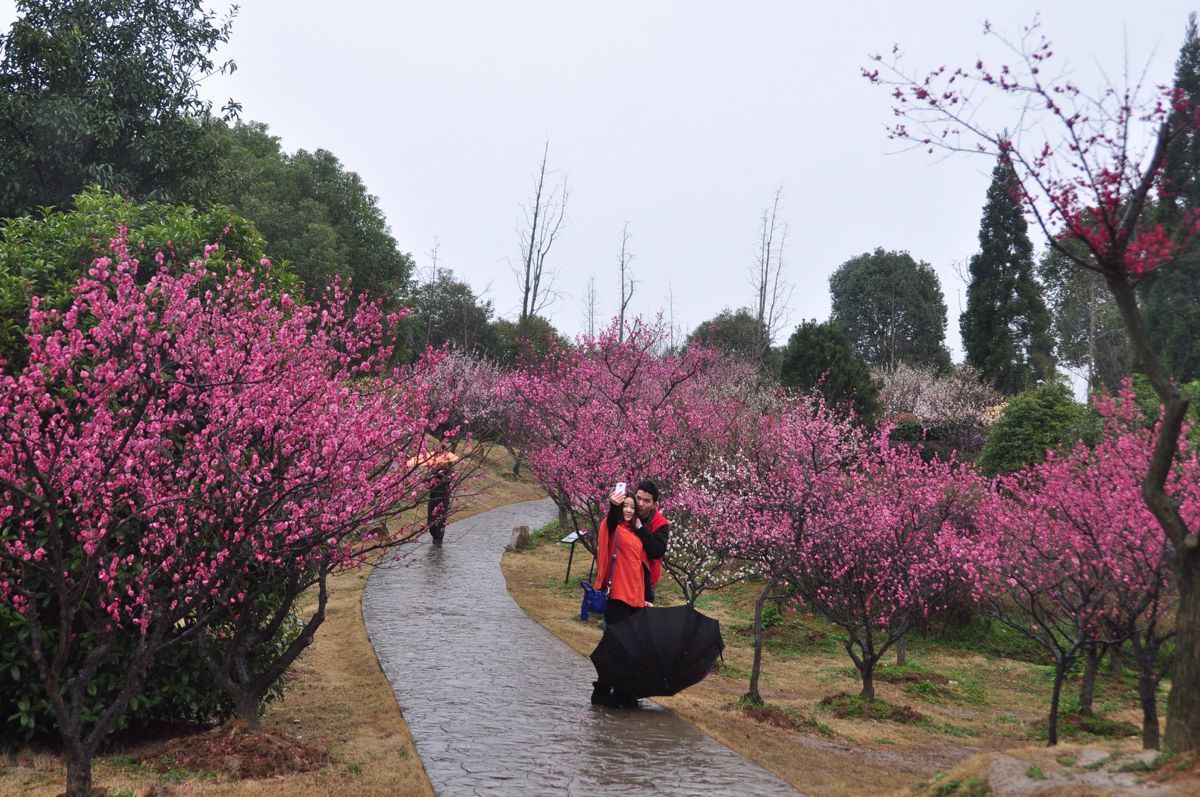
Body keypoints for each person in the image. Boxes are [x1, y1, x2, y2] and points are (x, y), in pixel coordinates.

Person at [589, 484, 669, 708]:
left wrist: (646, 595)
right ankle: (605, 691)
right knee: (617, 645)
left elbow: (652, 555)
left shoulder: (642, 530)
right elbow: (611, 520)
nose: (634, 507)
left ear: (653, 503)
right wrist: (613, 506)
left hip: (637, 596)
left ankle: (622, 692)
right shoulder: (614, 527)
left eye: (636, 505)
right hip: (618, 595)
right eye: (630, 504)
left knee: (631, 648)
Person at [632, 480, 670, 604]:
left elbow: (657, 551)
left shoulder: (660, 523)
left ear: (654, 504)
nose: (640, 504)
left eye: (646, 501)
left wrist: (640, 528)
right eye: (638, 498)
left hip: (646, 579)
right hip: (624, 575)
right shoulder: (626, 513)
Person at [426, 462, 453, 547]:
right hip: (433, 498)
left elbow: (449, 481)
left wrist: (442, 476)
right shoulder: (433, 472)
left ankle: (439, 540)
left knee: (441, 521)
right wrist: (431, 477)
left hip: (443, 499)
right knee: (430, 520)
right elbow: (428, 484)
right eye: (438, 463)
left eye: (442, 463)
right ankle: (434, 536)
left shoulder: (449, 472)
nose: (440, 464)